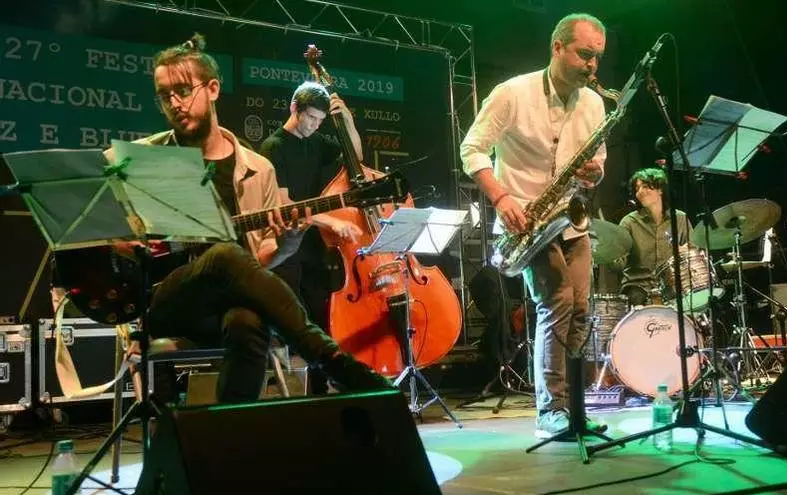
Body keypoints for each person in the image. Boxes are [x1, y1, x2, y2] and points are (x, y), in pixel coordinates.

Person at [106, 34, 390, 403]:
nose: (174, 103)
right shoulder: (139, 159)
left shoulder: (258, 168)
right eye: (164, 95)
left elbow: (262, 259)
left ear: (212, 89)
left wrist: (290, 238)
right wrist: (125, 242)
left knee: (249, 321)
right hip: (166, 301)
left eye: (183, 91)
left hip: (223, 306)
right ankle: (335, 362)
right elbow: (94, 226)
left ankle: (230, 430)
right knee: (224, 254)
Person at [460, 13, 610, 439]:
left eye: (597, 57)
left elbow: (599, 160)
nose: (591, 65)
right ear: (557, 47)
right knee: (558, 301)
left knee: (581, 310)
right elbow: (472, 149)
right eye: (584, 54)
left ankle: (575, 409)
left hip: (570, 218)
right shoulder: (512, 93)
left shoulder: (594, 103)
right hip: (526, 220)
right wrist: (501, 197)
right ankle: (551, 410)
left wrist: (595, 172)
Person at [258, 81, 365, 394]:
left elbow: (355, 156)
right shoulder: (273, 147)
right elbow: (285, 204)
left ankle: (320, 391)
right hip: (288, 249)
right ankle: (289, 392)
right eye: (311, 118)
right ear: (295, 108)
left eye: (320, 120)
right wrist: (329, 220)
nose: (315, 125)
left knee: (320, 322)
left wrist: (347, 120)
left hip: (316, 249)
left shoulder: (317, 142)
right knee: (294, 323)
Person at [617, 167, 694, 306]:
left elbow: (694, 253)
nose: (640, 192)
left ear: (660, 190)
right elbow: (618, 263)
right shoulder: (629, 222)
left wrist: (686, 251)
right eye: (637, 188)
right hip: (638, 287)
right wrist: (608, 252)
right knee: (636, 296)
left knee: (690, 302)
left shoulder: (680, 219)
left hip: (673, 285)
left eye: (645, 186)